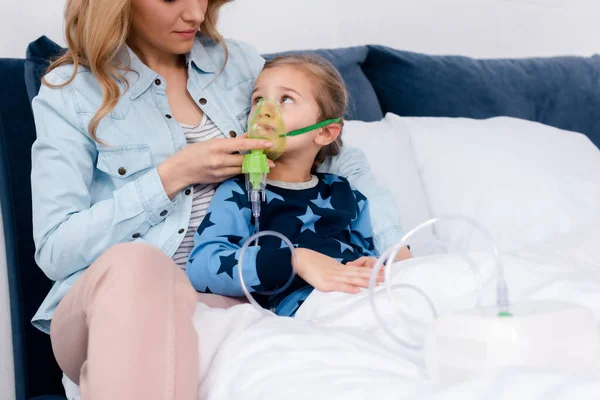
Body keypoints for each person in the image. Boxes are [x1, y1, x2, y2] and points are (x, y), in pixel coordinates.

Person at [30, 0, 404, 398]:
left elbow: (344, 162)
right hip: (107, 305)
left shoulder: (236, 65)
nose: (195, 14)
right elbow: (55, 250)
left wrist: (399, 254)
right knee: (139, 264)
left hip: (227, 302)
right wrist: (172, 175)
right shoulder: (70, 92)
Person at [186, 55, 411, 316]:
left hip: (366, 298)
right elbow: (203, 267)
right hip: (312, 309)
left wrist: (371, 265)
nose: (265, 111)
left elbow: (365, 253)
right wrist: (294, 260)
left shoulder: (345, 193)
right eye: (258, 99)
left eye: (286, 99)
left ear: (325, 132)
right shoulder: (239, 193)